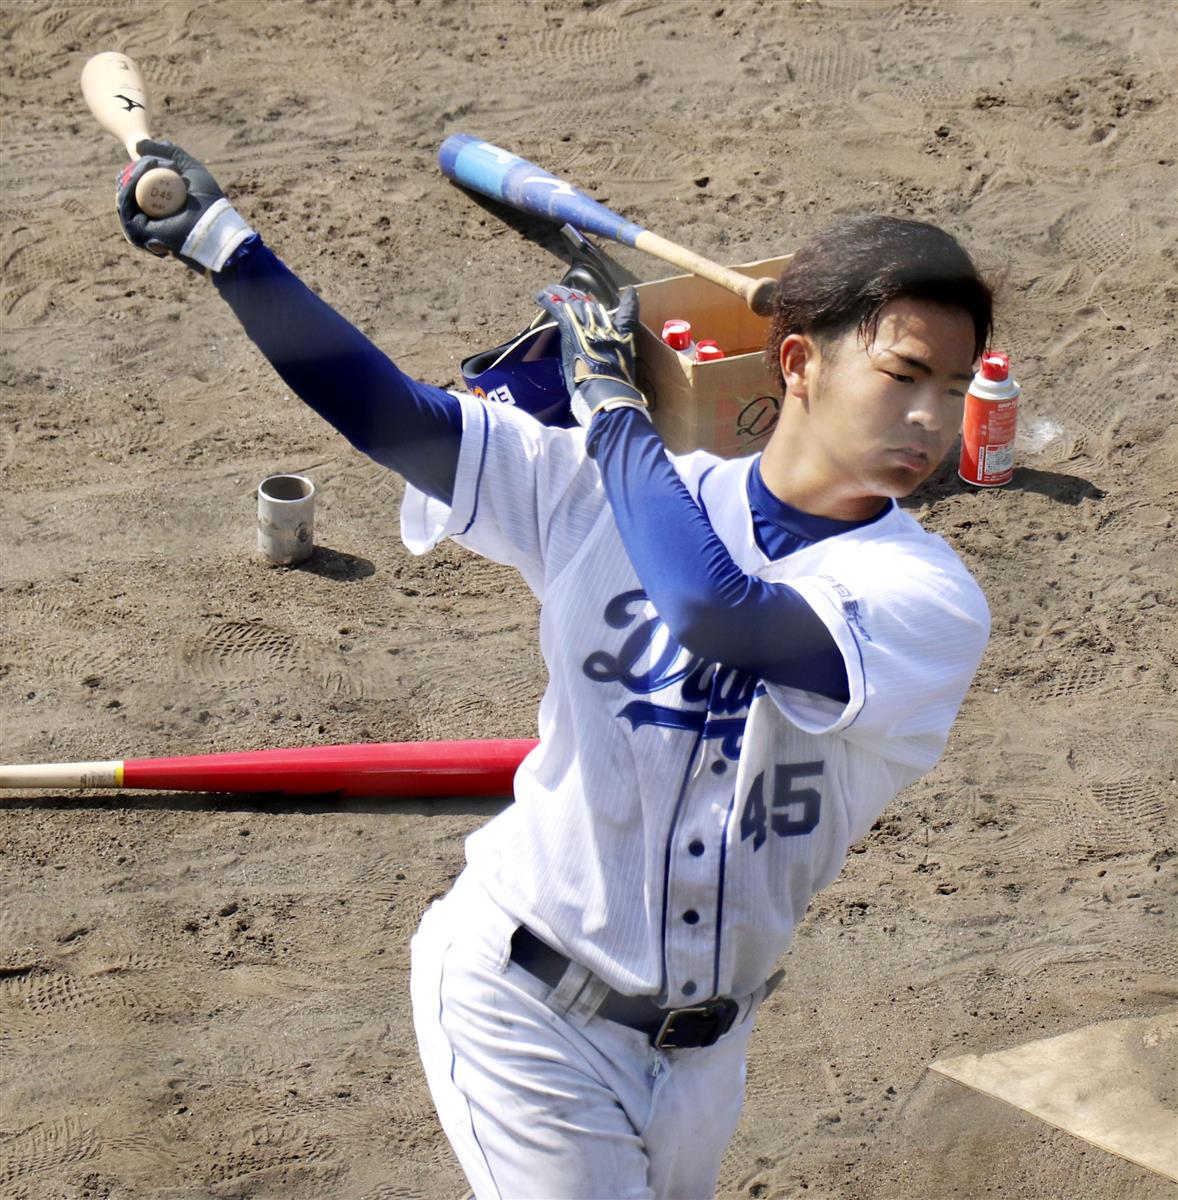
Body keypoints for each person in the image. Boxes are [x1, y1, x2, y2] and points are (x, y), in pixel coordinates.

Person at [116, 141, 993, 1200]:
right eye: (901, 376)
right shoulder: (600, 490)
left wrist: (610, 404)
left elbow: (717, 610)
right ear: (797, 364)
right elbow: (396, 419)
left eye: (950, 388)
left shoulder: (922, 596)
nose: (928, 419)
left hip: (705, 1060)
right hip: (520, 1006)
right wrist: (229, 251)